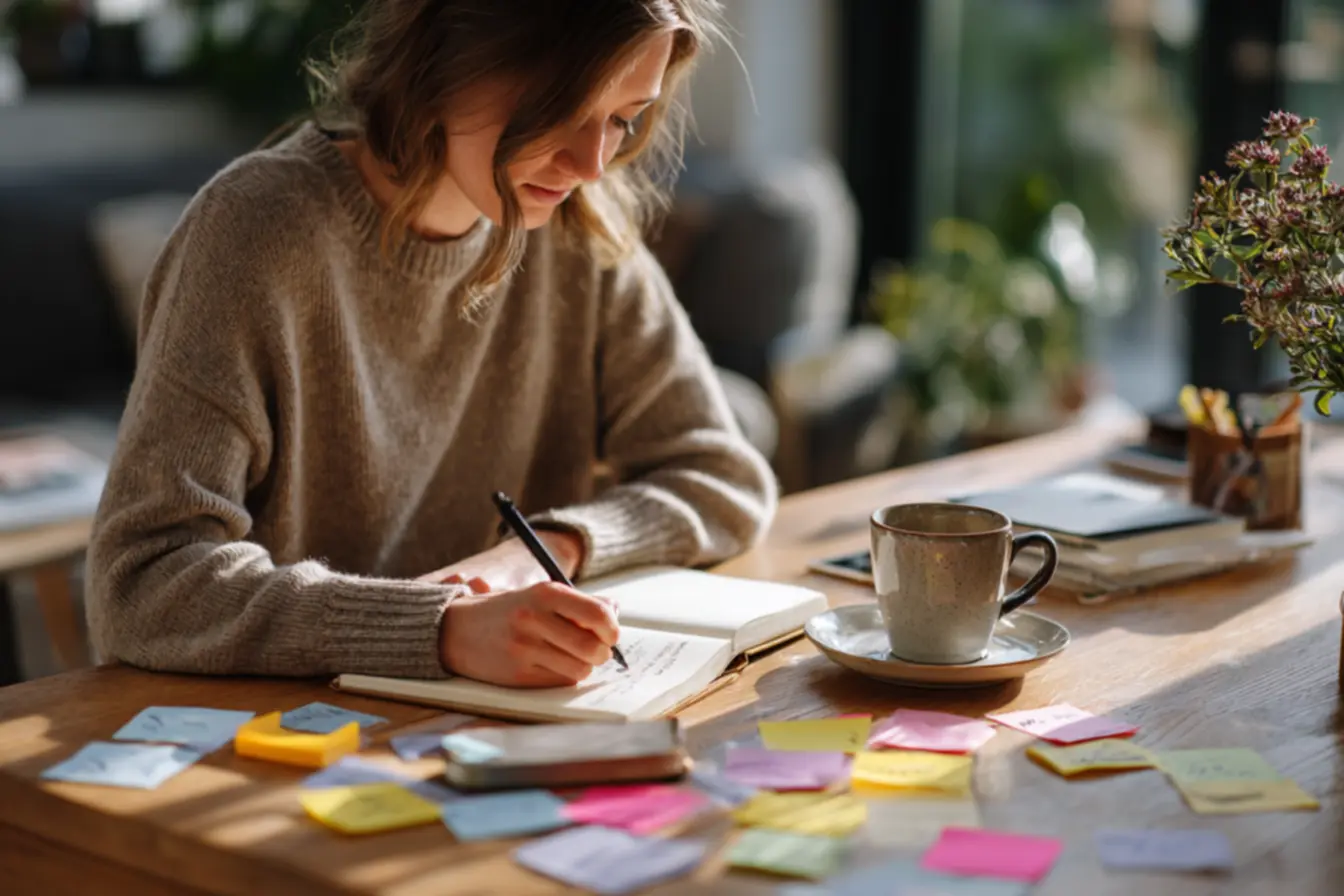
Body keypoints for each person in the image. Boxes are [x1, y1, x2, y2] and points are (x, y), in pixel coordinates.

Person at [85, 0, 776, 689]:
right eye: (562, 106)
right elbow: (143, 581)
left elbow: (724, 476)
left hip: (501, 730)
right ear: (448, 55)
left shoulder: (581, 233)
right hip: (284, 743)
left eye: (623, 119)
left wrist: (542, 551)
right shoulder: (255, 231)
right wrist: (437, 628)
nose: (592, 163)